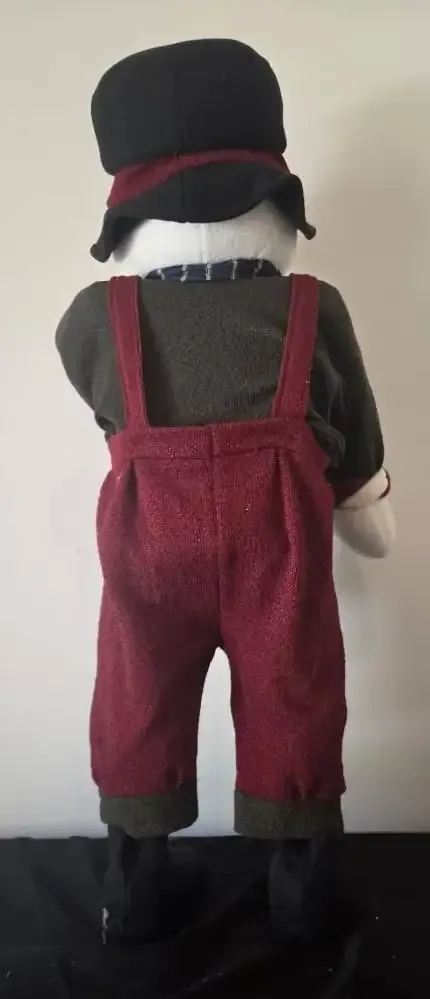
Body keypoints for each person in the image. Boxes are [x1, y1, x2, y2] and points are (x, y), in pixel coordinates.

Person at [56, 38, 395, 945]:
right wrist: (366, 502)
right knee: (296, 698)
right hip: (279, 548)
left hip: (147, 549)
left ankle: (135, 890)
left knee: (138, 698)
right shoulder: (316, 309)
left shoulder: (94, 319)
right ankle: (303, 898)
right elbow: (354, 431)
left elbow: (103, 406)